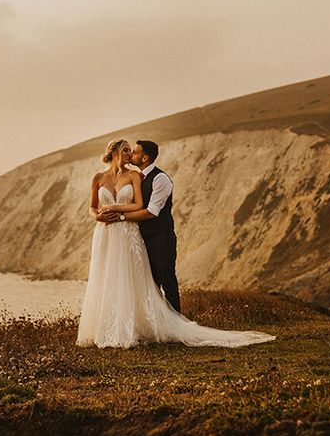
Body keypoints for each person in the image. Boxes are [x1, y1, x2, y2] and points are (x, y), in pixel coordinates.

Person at [76, 138, 276, 349]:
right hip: (107, 233)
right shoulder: (99, 177)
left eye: (132, 151)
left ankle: (172, 323)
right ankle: (110, 326)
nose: (130, 155)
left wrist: (117, 211)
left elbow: (146, 208)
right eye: (127, 151)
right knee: (110, 277)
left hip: (141, 234)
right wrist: (97, 216)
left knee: (153, 279)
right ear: (115, 152)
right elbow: (92, 206)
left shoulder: (147, 177)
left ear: (144, 157)